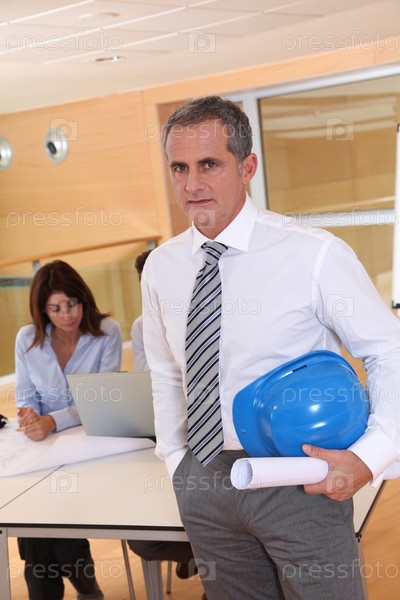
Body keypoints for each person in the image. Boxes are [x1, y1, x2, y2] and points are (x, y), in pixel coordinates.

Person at [140, 95, 400, 599]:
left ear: (247, 167)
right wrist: (176, 461)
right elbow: (168, 372)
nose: (192, 185)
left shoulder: (312, 253)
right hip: (205, 483)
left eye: (209, 164)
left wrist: (370, 457)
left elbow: (388, 350)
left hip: (298, 478)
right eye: (179, 168)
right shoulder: (161, 267)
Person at [15, 260, 122, 600]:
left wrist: (52, 421)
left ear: (83, 299)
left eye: (72, 303)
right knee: (36, 524)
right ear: (42, 310)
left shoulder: (107, 333)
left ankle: (83, 591)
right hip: (43, 446)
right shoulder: (27, 339)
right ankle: (88, 591)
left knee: (40, 523)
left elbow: (100, 400)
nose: (66, 315)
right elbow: (25, 394)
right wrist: (29, 415)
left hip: (90, 444)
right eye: (55, 308)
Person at [128, 249, 207, 599]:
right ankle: (201, 557)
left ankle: (212, 570)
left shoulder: (210, 309)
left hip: (214, 437)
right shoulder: (142, 325)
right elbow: (150, 378)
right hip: (171, 438)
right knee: (144, 539)